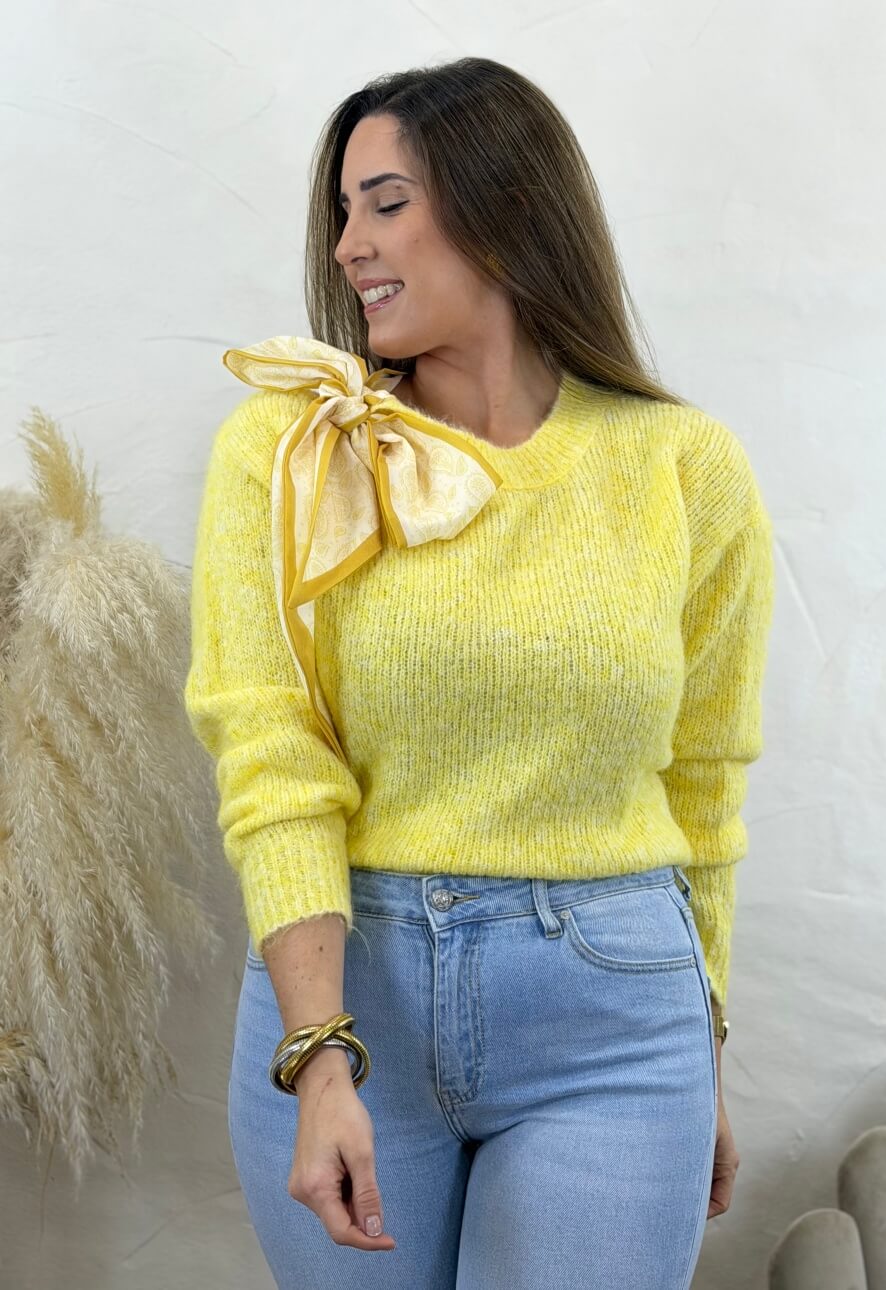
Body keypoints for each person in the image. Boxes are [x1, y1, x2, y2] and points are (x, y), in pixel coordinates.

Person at [184, 55, 775, 1290]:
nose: (348, 245)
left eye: (385, 203)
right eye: (342, 211)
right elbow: (272, 752)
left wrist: (704, 1059)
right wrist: (319, 1054)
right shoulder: (289, 450)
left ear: (503, 208)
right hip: (351, 1000)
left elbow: (703, 785)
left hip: (614, 1029)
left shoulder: (682, 467)